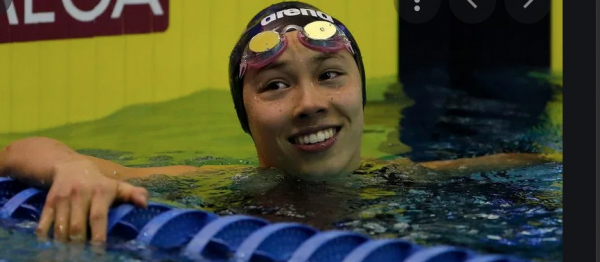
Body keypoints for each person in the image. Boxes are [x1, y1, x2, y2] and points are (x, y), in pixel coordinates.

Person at [0, 1, 550, 244]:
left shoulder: (409, 177)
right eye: (275, 85)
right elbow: (19, 151)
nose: (309, 103)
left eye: (330, 75)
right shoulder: (212, 186)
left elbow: (528, 164)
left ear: (360, 93)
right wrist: (72, 167)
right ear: (246, 118)